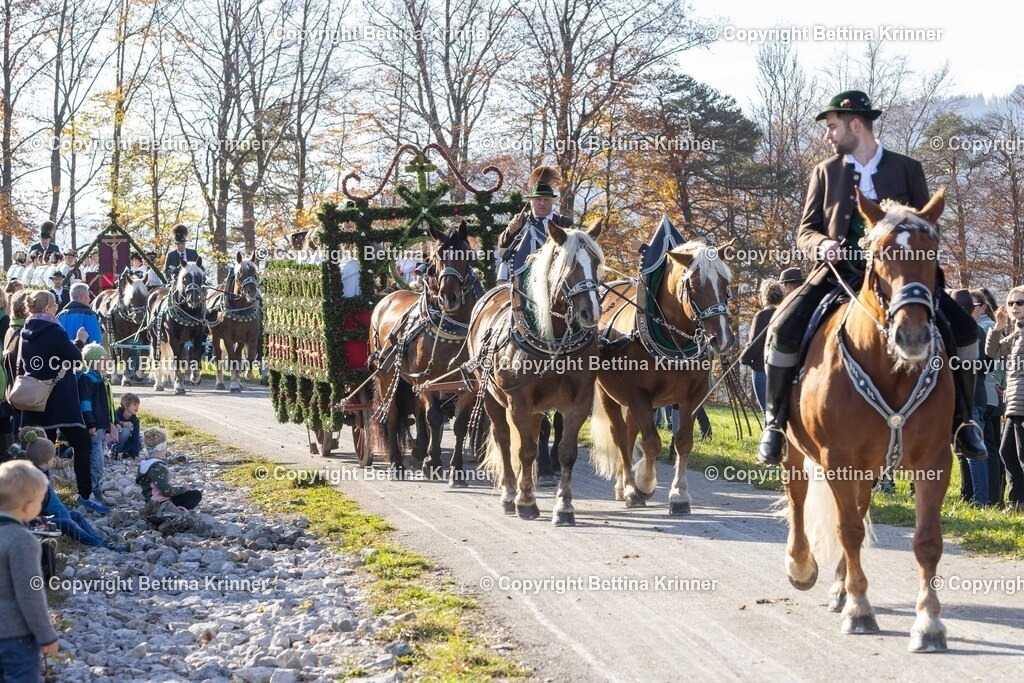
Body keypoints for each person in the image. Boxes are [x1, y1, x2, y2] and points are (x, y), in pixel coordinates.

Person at [757, 90, 987, 465]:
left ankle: (964, 423)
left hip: (901, 282)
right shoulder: (825, 172)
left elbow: (925, 225)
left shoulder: (907, 168)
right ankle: (775, 422)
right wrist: (823, 244)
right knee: (782, 327)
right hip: (837, 276)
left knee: (962, 330)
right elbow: (806, 230)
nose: (829, 135)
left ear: (855, 125)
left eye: (832, 126)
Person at [496, 166, 575, 483]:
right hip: (523, 299)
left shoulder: (566, 226)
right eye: (537, 201)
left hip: (557, 300)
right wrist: (512, 231)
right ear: (530, 202)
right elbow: (502, 253)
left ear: (553, 202)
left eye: (547, 201)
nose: (542, 205)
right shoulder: (518, 226)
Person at [17, 290, 106, 513]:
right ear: (47, 308)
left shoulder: (25, 331)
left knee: (38, 449)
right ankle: (84, 495)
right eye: (55, 305)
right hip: (60, 400)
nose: (57, 308)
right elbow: (75, 359)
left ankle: (38, 499)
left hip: (35, 400)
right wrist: (80, 340)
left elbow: (22, 366)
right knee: (82, 443)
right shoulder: (54, 329)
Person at [21, 430, 128, 552]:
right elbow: (50, 506)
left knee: (76, 515)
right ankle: (99, 545)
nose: (54, 459)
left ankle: (97, 539)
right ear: (46, 461)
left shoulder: (38, 471)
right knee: (67, 522)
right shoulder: (35, 480)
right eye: (52, 457)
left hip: (41, 517)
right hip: (34, 524)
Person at [0, 460, 60, 678]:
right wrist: (47, 635)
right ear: (27, 506)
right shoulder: (23, 540)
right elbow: (30, 593)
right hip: (15, 636)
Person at [985, 286, 1024, 514]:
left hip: (1021, 404)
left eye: (1020, 303)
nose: (1014, 307)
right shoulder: (1017, 333)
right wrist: (998, 327)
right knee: (1007, 452)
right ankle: (1016, 503)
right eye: (1010, 303)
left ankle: (1017, 503)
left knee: (1020, 455)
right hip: (1014, 403)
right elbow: (992, 352)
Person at [951, 289, 989, 505]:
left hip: (969, 398)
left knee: (973, 450)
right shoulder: (975, 330)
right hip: (975, 396)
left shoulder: (964, 330)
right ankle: (971, 495)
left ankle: (980, 499)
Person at [973, 287, 1006, 506]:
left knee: (990, 448)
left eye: (972, 305)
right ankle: (995, 497)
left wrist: (997, 383)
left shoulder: (983, 326)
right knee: (994, 448)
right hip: (991, 394)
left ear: (983, 307)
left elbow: (994, 362)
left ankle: (993, 497)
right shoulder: (990, 326)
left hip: (988, 394)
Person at [137, 427, 202, 530]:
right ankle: (170, 517)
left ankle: (158, 515)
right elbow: (166, 491)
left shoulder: (144, 463)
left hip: (149, 501)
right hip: (161, 503)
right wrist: (183, 488)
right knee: (195, 495)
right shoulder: (158, 466)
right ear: (162, 447)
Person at [77, 344, 116, 506]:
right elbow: (85, 403)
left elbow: (105, 405)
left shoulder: (99, 378)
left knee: (99, 462)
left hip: (100, 427)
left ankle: (97, 491)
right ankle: (91, 494)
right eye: (102, 360)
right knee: (96, 462)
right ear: (92, 361)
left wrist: (111, 424)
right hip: (93, 428)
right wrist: (90, 422)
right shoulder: (87, 378)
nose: (107, 363)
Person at [741, 280, 785, 415]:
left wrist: (743, 359)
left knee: (767, 412)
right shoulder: (784, 313)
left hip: (762, 370)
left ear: (765, 296)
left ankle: (770, 436)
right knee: (778, 411)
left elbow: (754, 345)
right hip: (782, 369)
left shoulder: (761, 315)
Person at [111, 393, 143, 459]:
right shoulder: (117, 413)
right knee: (126, 431)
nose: (137, 407)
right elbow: (114, 421)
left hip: (125, 443)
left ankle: (127, 453)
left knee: (140, 439)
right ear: (125, 406)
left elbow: (135, 436)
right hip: (113, 441)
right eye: (134, 405)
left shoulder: (135, 420)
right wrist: (122, 424)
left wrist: (136, 454)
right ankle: (114, 450)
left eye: (138, 405)